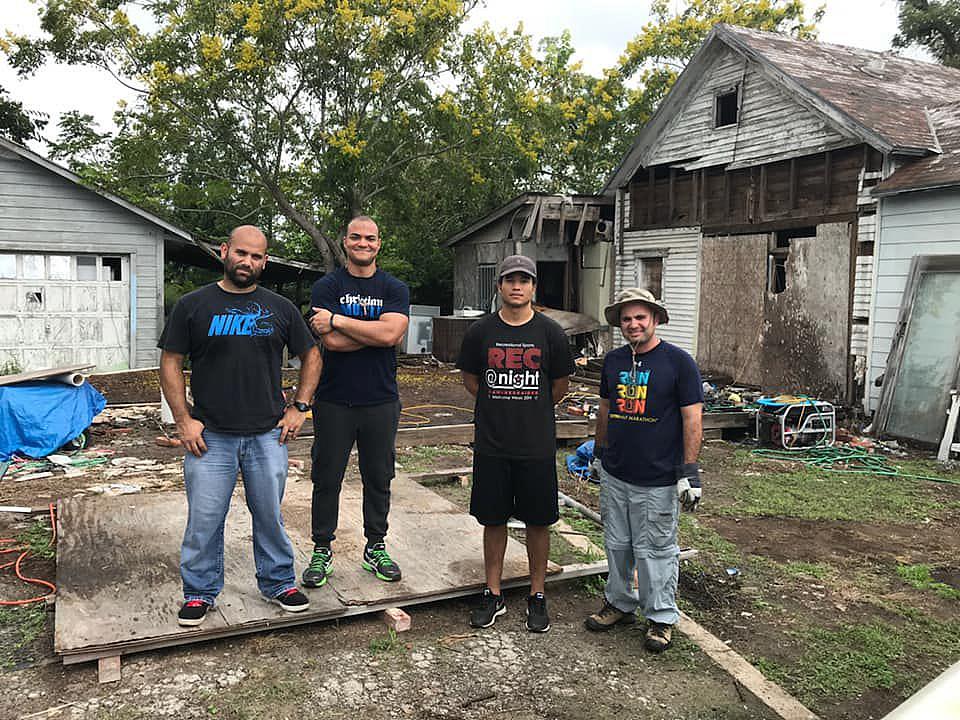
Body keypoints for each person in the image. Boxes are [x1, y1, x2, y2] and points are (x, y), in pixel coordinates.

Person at [158, 225, 321, 627]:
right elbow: (170, 362)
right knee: (204, 519)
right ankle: (199, 592)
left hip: (268, 434)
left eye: (257, 257)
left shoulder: (280, 308)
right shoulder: (194, 305)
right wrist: (183, 421)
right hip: (209, 437)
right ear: (224, 250)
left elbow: (312, 355)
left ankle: (279, 581)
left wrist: (300, 407)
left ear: (265, 261)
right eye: (242, 253)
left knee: (269, 514)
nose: (248, 262)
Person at [456, 255, 575, 633]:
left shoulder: (551, 333)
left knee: (538, 521)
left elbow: (559, 387)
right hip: (492, 445)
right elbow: (472, 380)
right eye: (510, 280)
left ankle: (537, 594)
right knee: (493, 520)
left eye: (524, 280)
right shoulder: (480, 332)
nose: (517, 286)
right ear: (500, 286)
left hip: (535, 446)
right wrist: (498, 401)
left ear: (534, 286)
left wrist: (530, 406)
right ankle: (493, 593)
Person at [584, 287, 703, 652]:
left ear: (655, 319)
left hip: (658, 478)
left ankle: (660, 618)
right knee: (617, 544)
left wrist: (690, 470)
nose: (633, 324)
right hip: (617, 473)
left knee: (655, 550)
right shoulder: (615, 361)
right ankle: (620, 603)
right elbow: (605, 409)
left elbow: (692, 418)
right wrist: (599, 454)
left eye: (640, 317)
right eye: (626, 319)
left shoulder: (678, 363)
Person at [303, 216, 409, 588]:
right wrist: (376, 333)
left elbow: (393, 333)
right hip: (334, 400)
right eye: (356, 237)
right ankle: (321, 549)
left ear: (379, 244)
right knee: (326, 477)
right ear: (344, 242)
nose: (363, 243)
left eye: (370, 238)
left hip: (380, 400)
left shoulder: (393, 287)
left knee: (379, 477)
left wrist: (339, 320)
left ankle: (375, 546)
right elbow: (329, 342)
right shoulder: (327, 285)